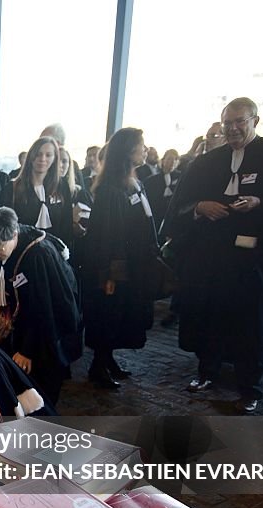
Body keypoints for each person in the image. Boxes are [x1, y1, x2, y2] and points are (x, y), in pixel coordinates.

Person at [166, 97, 263, 413]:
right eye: (227, 124)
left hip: (257, 260)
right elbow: (177, 208)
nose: (232, 129)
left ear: (255, 121)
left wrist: (261, 204)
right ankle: (207, 373)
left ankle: (251, 388)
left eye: (239, 122)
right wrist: (198, 208)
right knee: (210, 315)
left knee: (253, 322)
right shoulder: (206, 163)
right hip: (212, 258)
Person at [0, 207, 81, 408]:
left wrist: (27, 350)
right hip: (31, 323)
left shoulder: (38, 255)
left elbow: (43, 307)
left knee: (43, 392)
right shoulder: (18, 241)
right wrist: (5, 289)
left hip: (47, 333)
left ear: (14, 234)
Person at [84, 128, 160, 389]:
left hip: (134, 266)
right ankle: (98, 365)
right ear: (128, 150)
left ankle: (109, 360)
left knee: (121, 315)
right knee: (108, 316)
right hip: (117, 269)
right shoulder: (110, 190)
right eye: (141, 145)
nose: (145, 149)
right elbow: (108, 236)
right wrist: (109, 275)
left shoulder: (134, 182)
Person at [0, 136, 82, 255]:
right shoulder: (12, 188)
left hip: (55, 253)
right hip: (22, 252)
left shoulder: (62, 186)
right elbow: (7, 226)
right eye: (38, 154)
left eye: (48, 155)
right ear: (31, 157)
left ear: (54, 159)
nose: (42, 159)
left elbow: (66, 225)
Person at [145, 148, 181, 228]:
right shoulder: (151, 181)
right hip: (156, 217)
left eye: (176, 159)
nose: (172, 162)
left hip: (174, 218)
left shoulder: (181, 178)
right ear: (163, 160)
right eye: (169, 159)